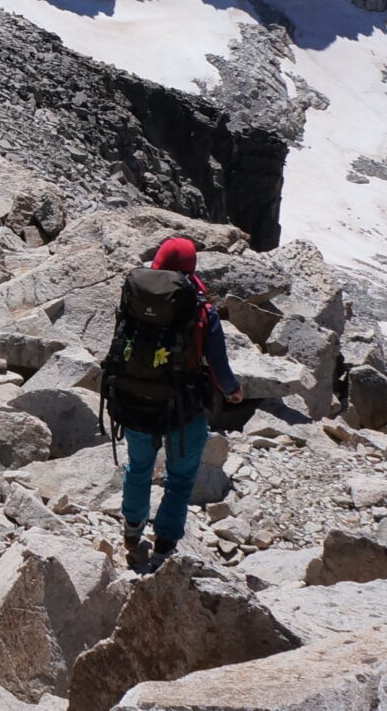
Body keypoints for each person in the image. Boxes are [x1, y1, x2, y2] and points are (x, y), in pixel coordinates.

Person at [103, 235, 241, 571]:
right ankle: (165, 548)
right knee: (179, 479)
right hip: (182, 408)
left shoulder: (133, 298)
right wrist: (233, 392)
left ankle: (132, 538)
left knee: (138, 470)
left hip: (134, 401)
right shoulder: (201, 310)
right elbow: (218, 366)